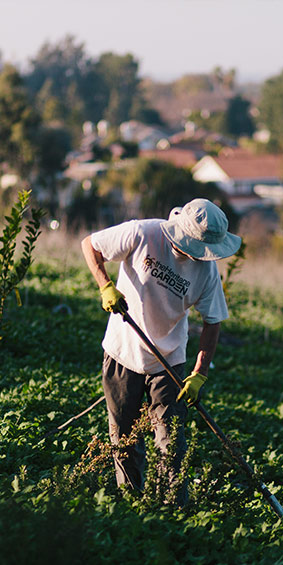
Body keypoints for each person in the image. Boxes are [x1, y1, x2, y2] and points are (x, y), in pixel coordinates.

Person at [80, 198, 241, 495]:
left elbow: (213, 322)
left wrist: (199, 373)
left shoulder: (206, 271)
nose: (198, 256)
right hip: (123, 350)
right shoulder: (143, 234)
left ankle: (172, 512)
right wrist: (105, 285)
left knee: (172, 445)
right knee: (124, 439)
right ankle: (131, 504)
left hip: (169, 360)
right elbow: (90, 245)